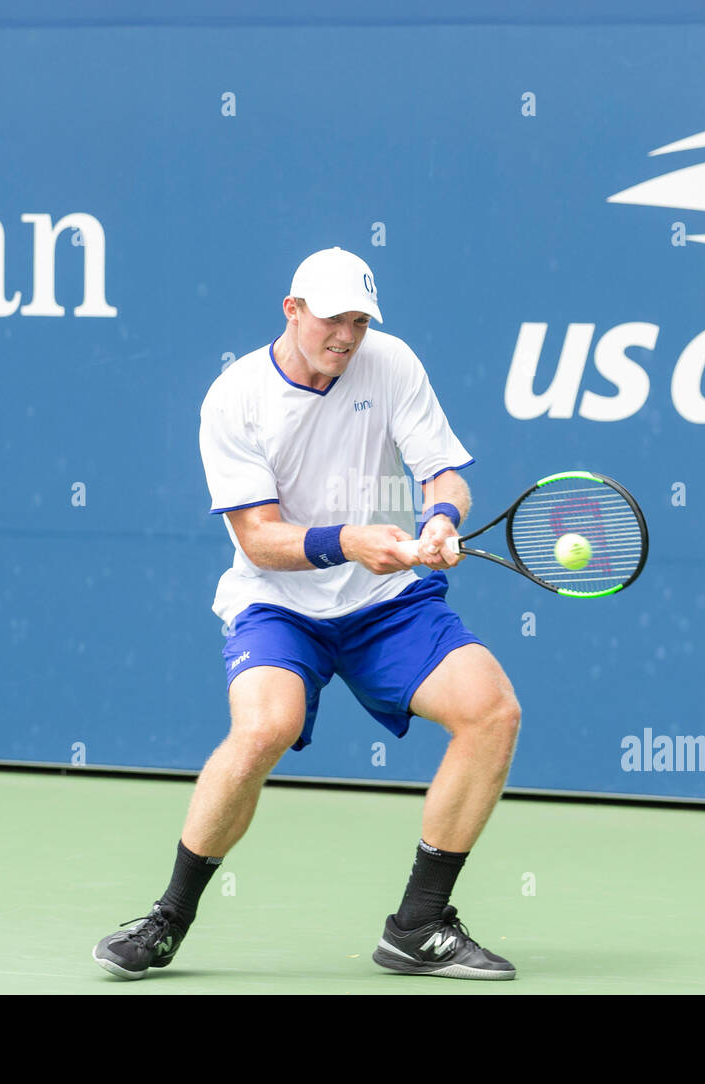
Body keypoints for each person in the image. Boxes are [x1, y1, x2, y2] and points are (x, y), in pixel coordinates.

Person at [93, 247, 522, 981]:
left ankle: (419, 925)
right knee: (265, 726)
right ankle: (169, 918)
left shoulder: (391, 364)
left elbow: (442, 471)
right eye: (332, 319)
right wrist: (349, 540)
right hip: (276, 600)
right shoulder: (234, 397)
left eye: (359, 320)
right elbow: (257, 536)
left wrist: (444, 517)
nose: (347, 337)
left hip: (385, 601)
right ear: (292, 310)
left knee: (492, 710)